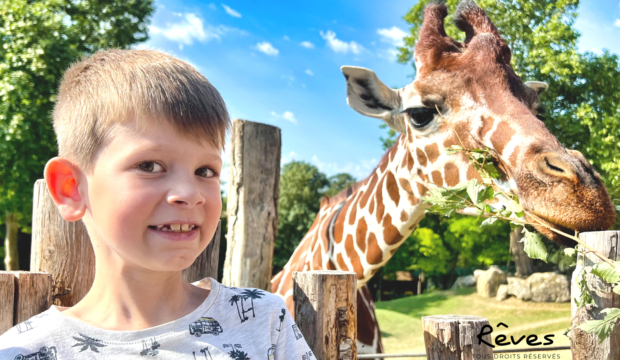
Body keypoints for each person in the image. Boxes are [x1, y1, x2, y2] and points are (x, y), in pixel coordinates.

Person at [0, 49, 314, 359]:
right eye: (149, 166)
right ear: (71, 188)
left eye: (205, 171)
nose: (191, 193)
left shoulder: (264, 321)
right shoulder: (25, 351)